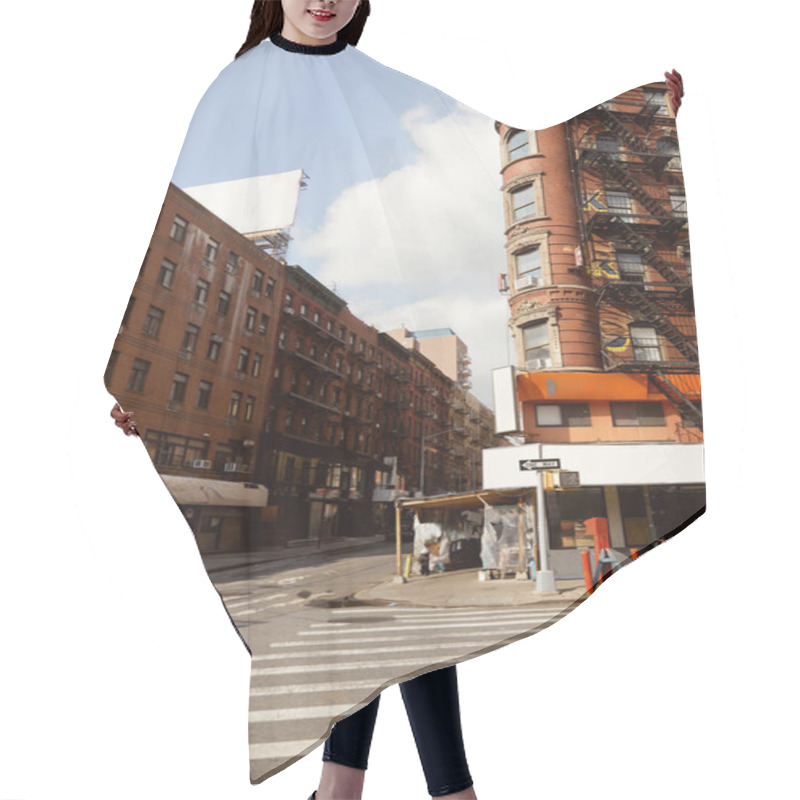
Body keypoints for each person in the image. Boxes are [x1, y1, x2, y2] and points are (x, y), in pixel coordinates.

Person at [109, 2, 684, 797]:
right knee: (363, 638)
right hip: (265, 379)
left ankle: (358, 790)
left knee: (384, 637)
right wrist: (131, 383)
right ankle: (422, 791)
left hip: (324, 341)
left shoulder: (375, 81)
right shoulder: (234, 88)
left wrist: (644, 115)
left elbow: (507, 137)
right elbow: (177, 222)